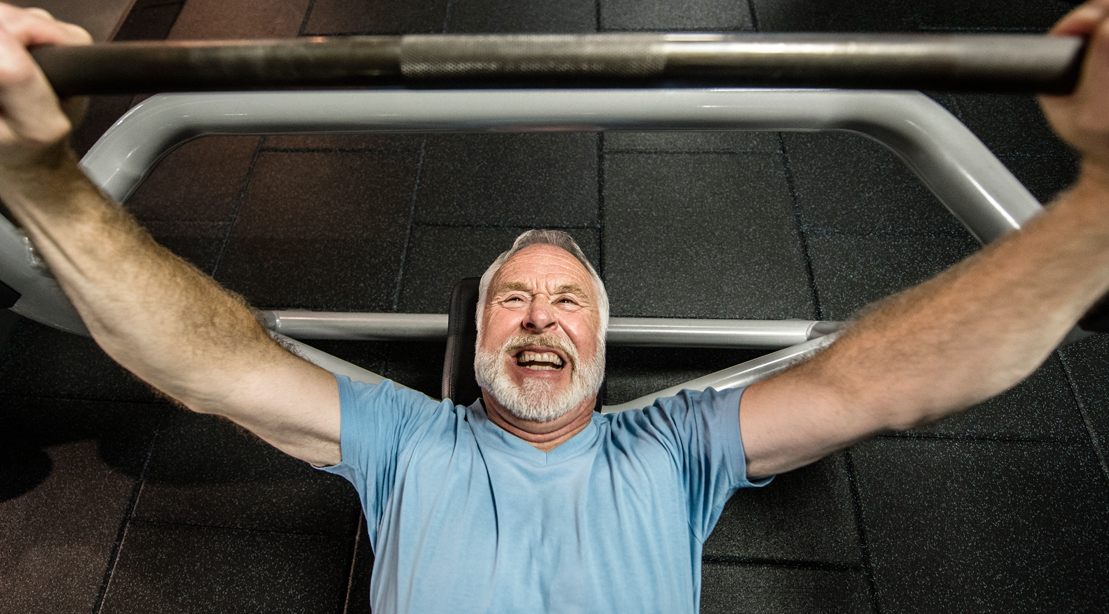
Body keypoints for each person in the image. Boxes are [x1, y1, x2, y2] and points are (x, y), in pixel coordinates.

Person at [1, 1, 1109, 612]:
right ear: (474, 332)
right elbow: (209, 363)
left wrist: (1096, 209)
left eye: (567, 300)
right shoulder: (408, 439)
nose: (538, 315)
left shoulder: (672, 446)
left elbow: (885, 380)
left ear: (603, 336)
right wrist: (43, 180)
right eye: (512, 297)